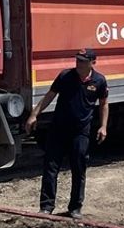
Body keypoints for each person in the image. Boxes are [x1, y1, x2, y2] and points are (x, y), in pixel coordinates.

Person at [25, 47, 109, 218]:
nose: (78, 63)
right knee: (50, 168)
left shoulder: (99, 81)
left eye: (83, 61)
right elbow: (49, 96)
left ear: (93, 63)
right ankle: (46, 207)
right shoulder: (65, 76)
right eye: (77, 60)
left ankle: (75, 207)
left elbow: (104, 104)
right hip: (58, 129)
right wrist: (34, 115)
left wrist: (103, 126)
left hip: (81, 132)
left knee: (79, 168)